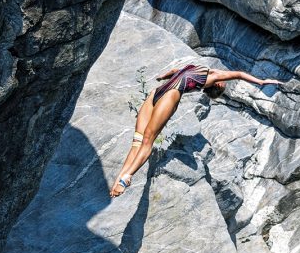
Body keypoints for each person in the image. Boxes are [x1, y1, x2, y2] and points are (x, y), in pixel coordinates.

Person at [109, 64, 282, 197]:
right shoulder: (201, 70)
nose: (224, 79)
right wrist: (164, 76)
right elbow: (177, 70)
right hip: (158, 92)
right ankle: (119, 177)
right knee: (137, 141)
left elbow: (237, 74)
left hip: (170, 94)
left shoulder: (211, 77)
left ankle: (126, 178)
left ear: (219, 85)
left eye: (223, 83)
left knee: (147, 140)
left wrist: (261, 82)